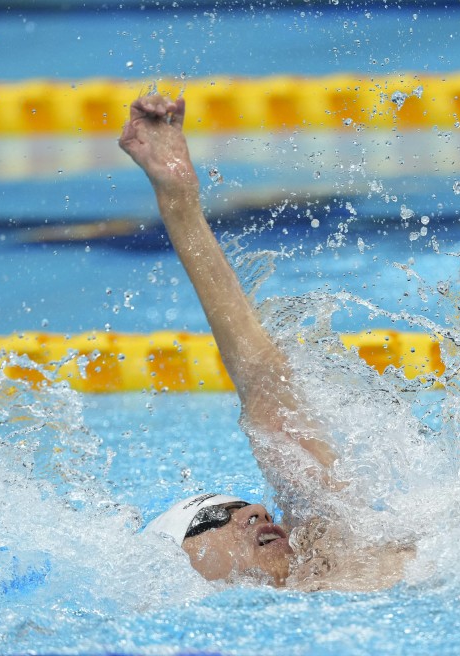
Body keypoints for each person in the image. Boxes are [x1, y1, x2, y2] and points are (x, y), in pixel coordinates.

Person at [119, 94, 412, 591]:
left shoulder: (327, 547)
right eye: (214, 521)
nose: (255, 509)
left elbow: (261, 376)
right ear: (187, 570)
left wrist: (179, 201)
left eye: (240, 506)